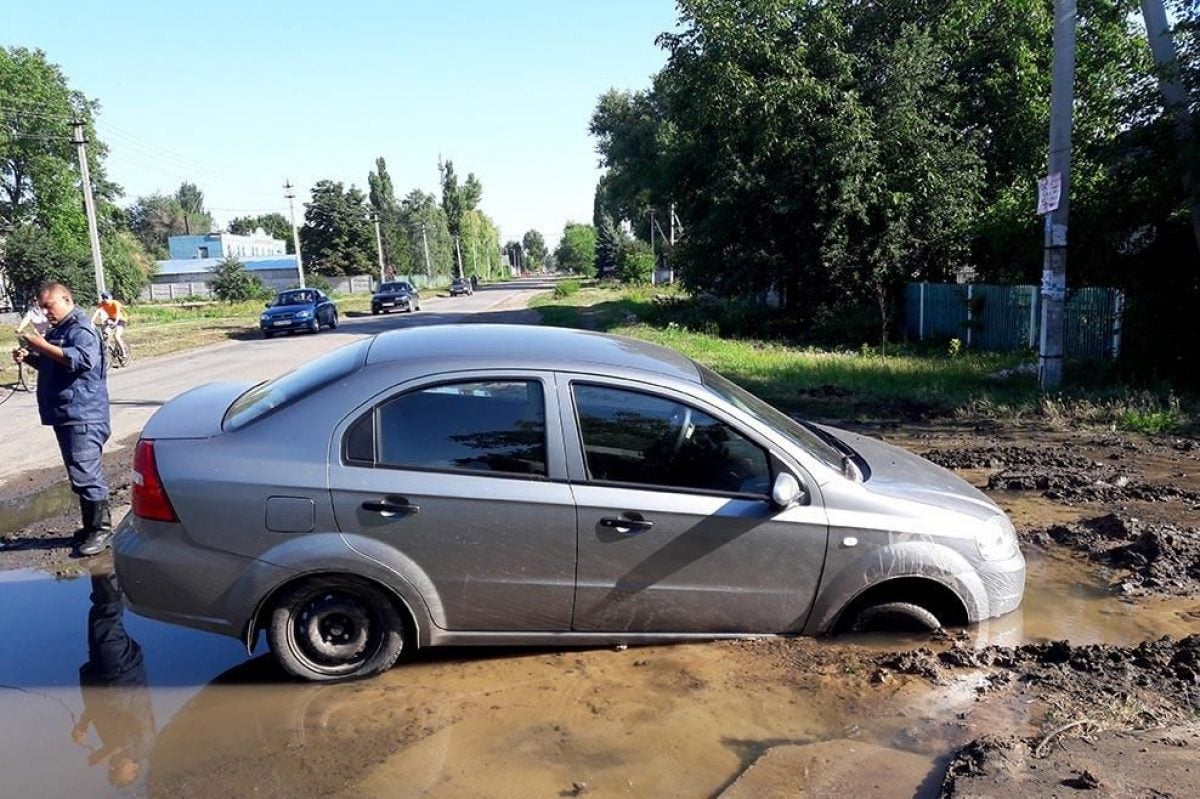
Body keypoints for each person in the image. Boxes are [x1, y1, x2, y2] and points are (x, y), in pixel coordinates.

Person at [11, 281, 113, 556]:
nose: (45, 313)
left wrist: (42, 345)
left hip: (83, 414)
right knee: (79, 474)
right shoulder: (62, 329)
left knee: (86, 473)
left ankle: (101, 531)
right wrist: (32, 356)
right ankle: (91, 526)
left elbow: (81, 361)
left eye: (49, 306)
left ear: (66, 299)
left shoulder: (80, 329)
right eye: (41, 307)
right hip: (68, 414)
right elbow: (59, 364)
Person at [73, 567, 155, 789]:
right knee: (107, 615)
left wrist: (82, 725)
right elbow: (131, 723)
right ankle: (107, 566)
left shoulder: (115, 746)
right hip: (121, 673)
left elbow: (101, 708)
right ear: (135, 769)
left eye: (112, 770)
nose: (113, 766)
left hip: (105, 675)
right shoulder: (143, 747)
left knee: (100, 615)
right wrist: (106, 752)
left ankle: (103, 569)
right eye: (119, 771)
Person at [91, 291, 128, 361]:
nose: (105, 300)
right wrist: (91, 322)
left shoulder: (115, 303)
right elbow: (96, 312)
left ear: (110, 298)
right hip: (111, 318)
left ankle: (124, 353)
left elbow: (118, 314)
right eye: (103, 298)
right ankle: (108, 348)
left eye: (106, 298)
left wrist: (115, 322)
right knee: (105, 333)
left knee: (116, 336)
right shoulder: (102, 304)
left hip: (121, 319)